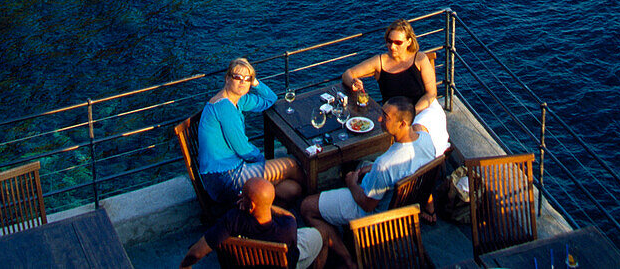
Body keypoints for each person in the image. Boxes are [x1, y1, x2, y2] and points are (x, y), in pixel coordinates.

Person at [300, 97, 435, 267]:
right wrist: (372, 169)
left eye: (385, 117)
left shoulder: (385, 164)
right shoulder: (426, 139)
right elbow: (402, 168)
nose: (380, 119)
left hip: (376, 215)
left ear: (402, 124)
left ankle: (348, 260)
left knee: (307, 206)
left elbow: (366, 204)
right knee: (362, 165)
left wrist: (351, 182)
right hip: (406, 207)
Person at [197, 56, 304, 204]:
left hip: (236, 167)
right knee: (291, 165)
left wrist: (255, 83)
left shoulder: (238, 99)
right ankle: (312, 201)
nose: (242, 82)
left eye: (247, 78)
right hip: (224, 178)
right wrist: (263, 161)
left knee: (292, 189)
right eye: (237, 77)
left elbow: (270, 99)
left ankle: (293, 202)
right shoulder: (224, 107)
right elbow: (243, 149)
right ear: (227, 78)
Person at [342, 18, 450, 157]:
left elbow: (431, 94)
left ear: (408, 42)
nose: (392, 46)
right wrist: (353, 82)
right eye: (389, 41)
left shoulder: (420, 59)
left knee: (419, 131)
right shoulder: (379, 62)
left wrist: (412, 113)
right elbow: (347, 74)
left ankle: (424, 162)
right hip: (394, 115)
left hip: (424, 109)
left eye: (398, 42)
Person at [179, 177, 328, 269]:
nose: (239, 196)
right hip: (282, 260)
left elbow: (196, 252)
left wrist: (185, 265)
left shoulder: (232, 220)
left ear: (250, 206)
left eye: (242, 195)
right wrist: (268, 206)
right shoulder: (287, 228)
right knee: (323, 234)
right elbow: (290, 217)